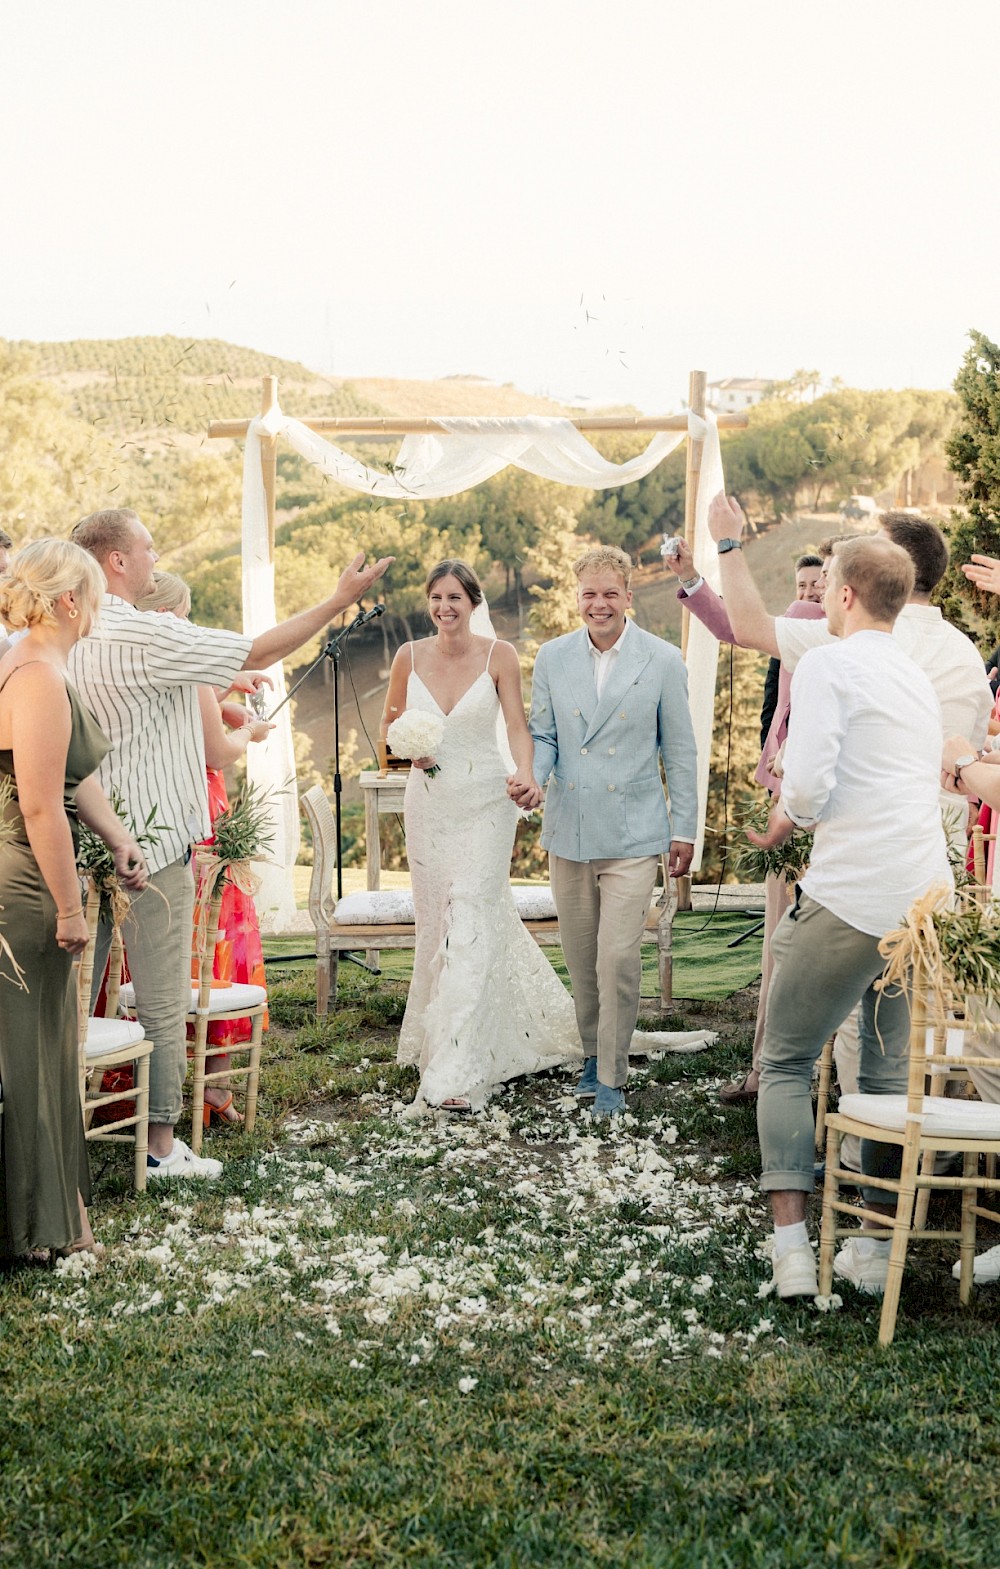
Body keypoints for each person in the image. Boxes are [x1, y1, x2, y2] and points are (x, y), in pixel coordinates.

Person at [69, 507, 392, 1179]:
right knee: (160, 998)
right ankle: (159, 1147)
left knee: (74, 997)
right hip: (152, 844)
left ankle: (65, 1133)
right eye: (147, 550)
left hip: (84, 839)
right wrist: (337, 600)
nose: (155, 560)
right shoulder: (141, 629)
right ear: (117, 562)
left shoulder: (68, 632)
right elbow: (256, 650)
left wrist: (223, 704)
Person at [738, 533, 951, 1298]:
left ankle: (793, 1252)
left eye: (827, 583)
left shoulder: (827, 661)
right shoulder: (915, 675)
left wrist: (787, 812)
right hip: (922, 897)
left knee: (788, 1060)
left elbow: (811, 782)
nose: (821, 595)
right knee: (889, 1074)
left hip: (858, 890)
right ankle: (867, 1247)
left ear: (849, 594)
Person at [383, 560, 581, 1111]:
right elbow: (388, 728)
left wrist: (528, 773)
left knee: (470, 914)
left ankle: (457, 1069)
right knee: (438, 925)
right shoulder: (408, 656)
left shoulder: (501, 656)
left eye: (455, 598)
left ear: (474, 603)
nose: (445, 608)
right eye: (436, 598)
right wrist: (408, 750)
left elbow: (518, 726)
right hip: (429, 807)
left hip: (488, 805)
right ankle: (438, 1039)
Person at [0, 539, 148, 1263]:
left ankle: (66, 1217)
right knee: (30, 1050)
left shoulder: (37, 663)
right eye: (92, 595)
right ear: (67, 601)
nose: (97, 611)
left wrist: (117, 837)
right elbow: (36, 806)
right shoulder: (33, 674)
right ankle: (37, 1228)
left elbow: (67, 776)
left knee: (50, 1046)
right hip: (21, 879)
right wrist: (66, 906)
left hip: (25, 866)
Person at [513, 545, 698, 1120]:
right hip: (569, 826)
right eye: (589, 594)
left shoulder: (663, 660)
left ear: (628, 597)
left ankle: (613, 1075)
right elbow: (544, 736)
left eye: (610, 593)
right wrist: (533, 778)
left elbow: (682, 753)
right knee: (582, 954)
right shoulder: (551, 657)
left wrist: (685, 829)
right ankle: (592, 1054)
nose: (599, 604)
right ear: (578, 597)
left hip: (636, 830)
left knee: (617, 956)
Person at [666, 538, 826, 1106]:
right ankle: (797, 1072)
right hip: (799, 789)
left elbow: (738, 627)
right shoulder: (837, 627)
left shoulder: (817, 623)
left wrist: (694, 574)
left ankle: (771, 1071)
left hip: (800, 798)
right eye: (807, 586)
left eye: (824, 583)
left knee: (783, 938)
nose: (812, 595)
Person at [136, 570, 274, 1127]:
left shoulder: (127, 664)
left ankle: (141, 1072)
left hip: (151, 819)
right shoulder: (180, 661)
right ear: (168, 617)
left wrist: (223, 694)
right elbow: (217, 751)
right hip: (199, 816)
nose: (189, 626)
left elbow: (182, 720)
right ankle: (212, 1081)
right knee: (212, 938)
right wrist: (249, 734)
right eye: (185, 615)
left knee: (169, 947)